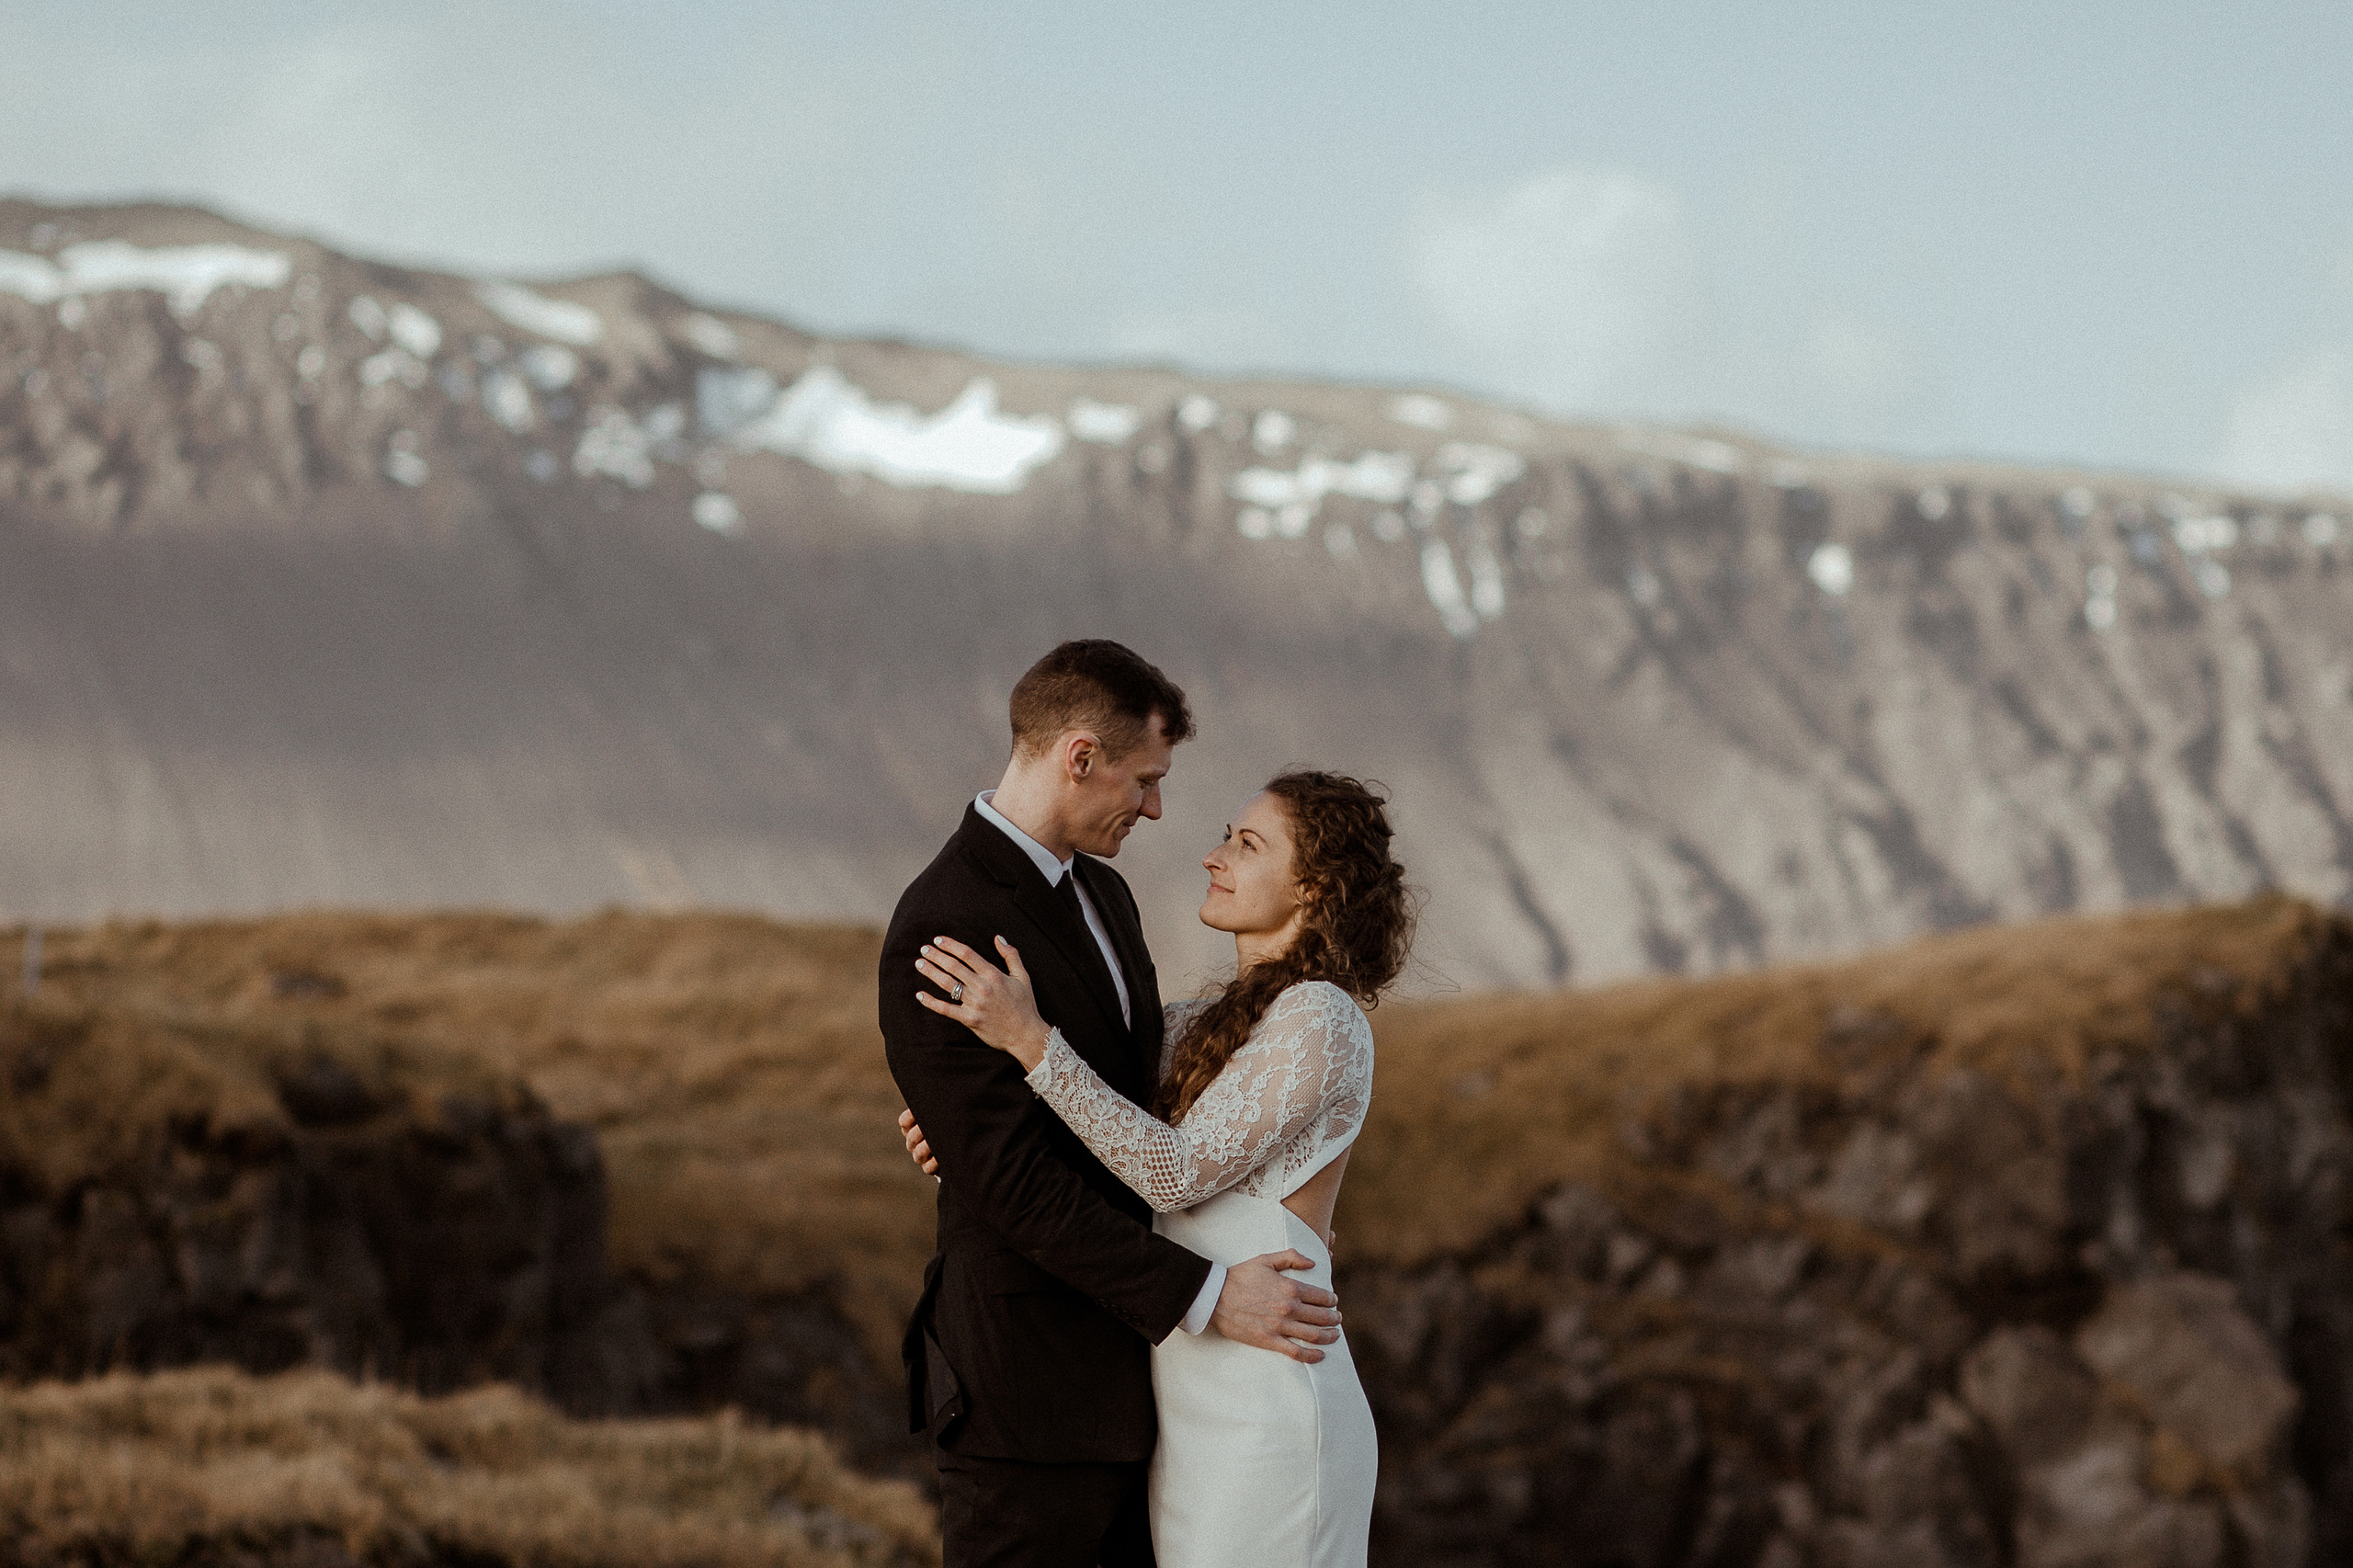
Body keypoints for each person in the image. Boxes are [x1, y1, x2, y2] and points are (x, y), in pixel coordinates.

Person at [881, 641, 1345, 1568]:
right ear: (1080, 755)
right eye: (1146, 778)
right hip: (1026, 1390)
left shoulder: (1104, 892)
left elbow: (1126, 1098)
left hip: (1148, 1389)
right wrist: (1212, 1294)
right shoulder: (945, 920)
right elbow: (1011, 1182)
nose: (1158, 807)